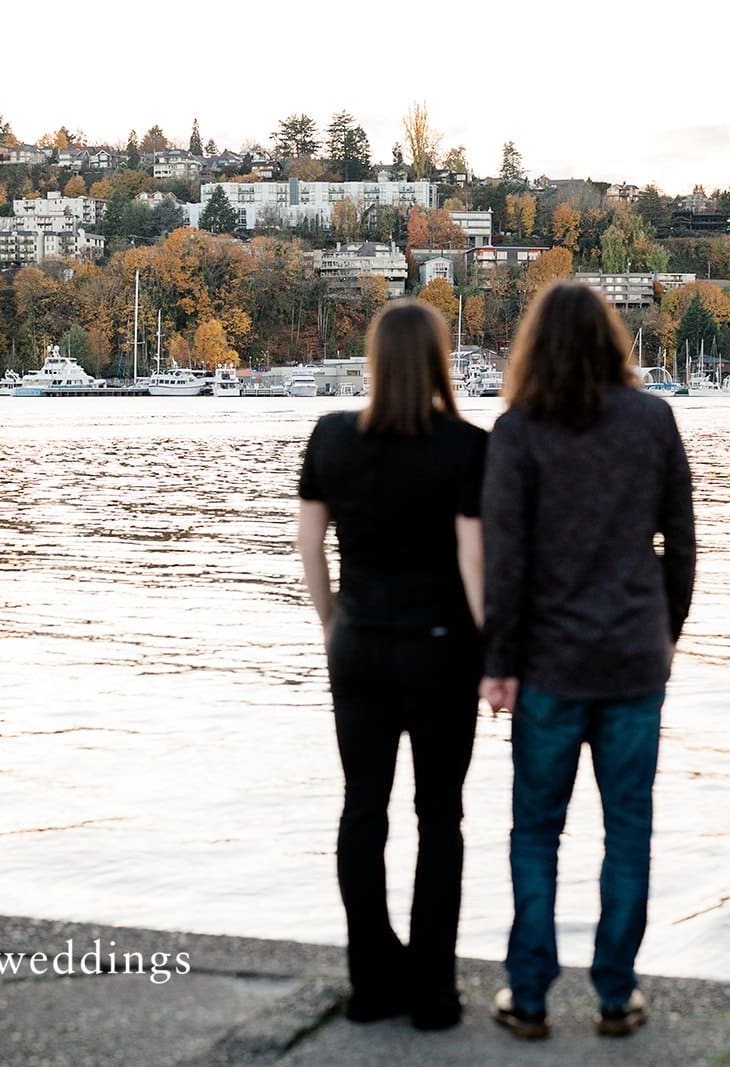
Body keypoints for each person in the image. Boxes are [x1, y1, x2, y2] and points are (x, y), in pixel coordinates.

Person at [480, 279, 696, 1041]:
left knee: (536, 830)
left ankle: (530, 994)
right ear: (612, 339)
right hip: (634, 655)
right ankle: (615, 991)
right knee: (628, 825)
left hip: (547, 660)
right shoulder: (654, 420)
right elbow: (680, 543)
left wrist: (498, 661)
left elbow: (505, 561)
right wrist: (666, 630)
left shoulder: (517, 430)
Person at [296, 299, 488, 1031]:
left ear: (374, 361)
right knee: (440, 816)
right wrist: (494, 649)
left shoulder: (332, 437)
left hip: (360, 643)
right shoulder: (469, 446)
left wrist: (332, 623)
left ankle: (372, 980)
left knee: (362, 808)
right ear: (439, 362)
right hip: (442, 647)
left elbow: (309, 546)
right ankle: (434, 991)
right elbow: (474, 560)